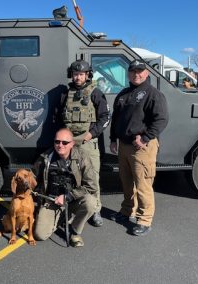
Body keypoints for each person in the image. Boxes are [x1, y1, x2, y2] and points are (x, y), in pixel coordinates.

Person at [109, 59, 168, 236]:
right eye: (133, 71)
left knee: (143, 185)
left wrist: (145, 138)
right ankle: (127, 211)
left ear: (147, 73)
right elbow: (116, 120)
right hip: (124, 146)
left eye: (140, 71)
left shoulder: (153, 94)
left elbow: (161, 120)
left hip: (143, 147)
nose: (137, 74)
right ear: (128, 73)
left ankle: (144, 219)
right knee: (127, 182)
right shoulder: (124, 93)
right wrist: (113, 139)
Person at [58, 59, 110, 227]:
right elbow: (59, 118)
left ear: (87, 75)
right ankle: (75, 209)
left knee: (92, 178)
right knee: (72, 178)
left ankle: (95, 210)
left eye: (81, 74)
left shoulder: (95, 93)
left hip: (88, 144)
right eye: (75, 74)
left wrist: (90, 134)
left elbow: (105, 118)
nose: (78, 77)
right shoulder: (66, 94)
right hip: (69, 144)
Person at [33, 128, 99, 247]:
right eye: (57, 142)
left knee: (91, 203)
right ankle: (62, 216)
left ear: (72, 143)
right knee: (40, 235)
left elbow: (92, 186)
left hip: (73, 200)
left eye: (64, 142)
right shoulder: (46, 157)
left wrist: (68, 196)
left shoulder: (82, 157)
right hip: (52, 201)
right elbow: (33, 176)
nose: (60, 145)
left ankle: (74, 231)